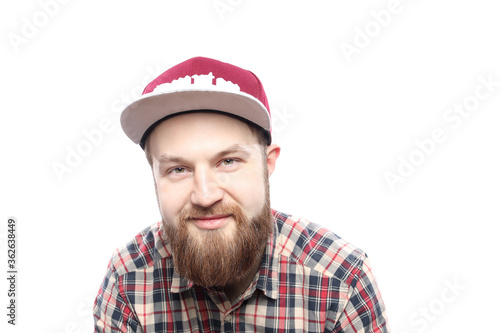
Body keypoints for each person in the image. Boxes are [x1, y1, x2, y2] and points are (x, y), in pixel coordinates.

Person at [93, 56, 390, 332]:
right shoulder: (127, 279)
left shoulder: (341, 279)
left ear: (268, 163)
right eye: (178, 169)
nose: (205, 196)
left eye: (228, 162)